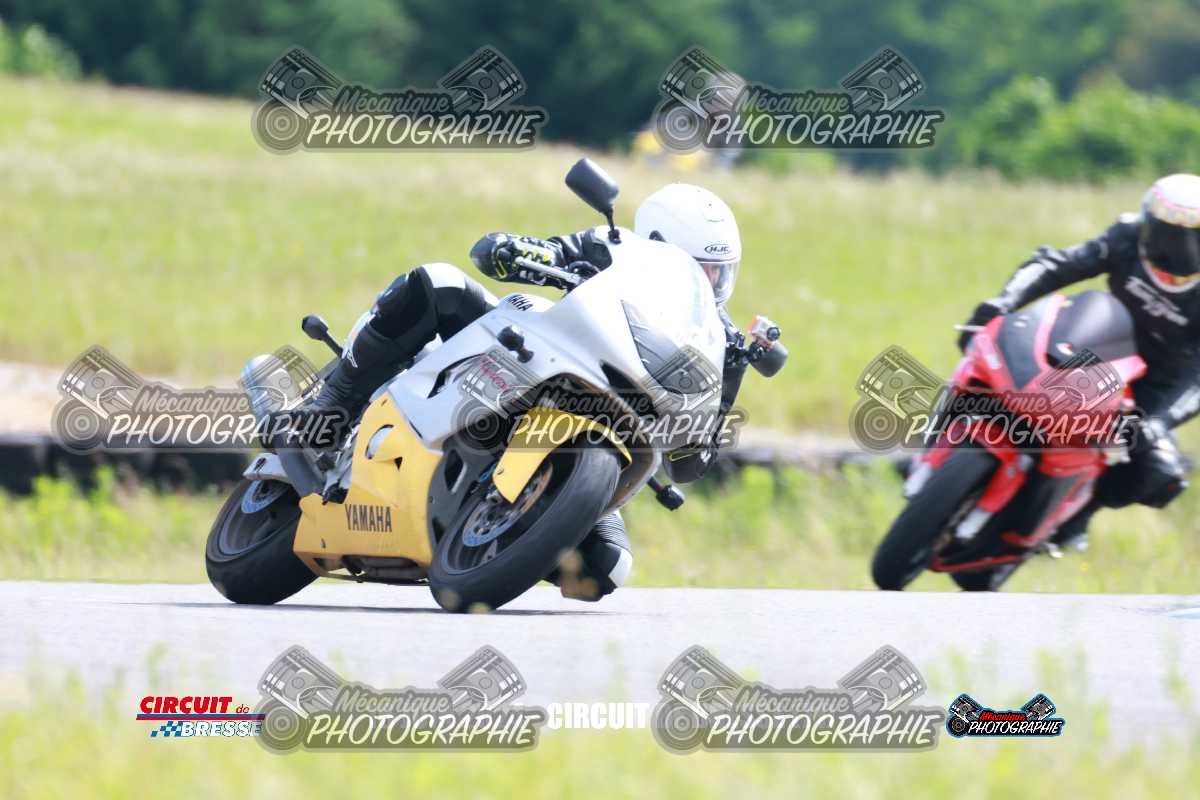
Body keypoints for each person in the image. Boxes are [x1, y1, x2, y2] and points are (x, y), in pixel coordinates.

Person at [304, 183, 752, 599]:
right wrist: (516, 250)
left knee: (607, 568)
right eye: (703, 267)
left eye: (720, 272)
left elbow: (689, 463)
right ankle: (333, 403)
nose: (711, 281)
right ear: (658, 241)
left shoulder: (718, 340)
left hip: (598, 438)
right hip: (545, 356)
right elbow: (545, 251)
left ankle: (509, 534)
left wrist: (737, 370)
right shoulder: (615, 246)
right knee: (441, 282)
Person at [958, 173, 1199, 548]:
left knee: (1159, 474)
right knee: (1006, 357)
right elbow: (1057, 264)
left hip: (1156, 385)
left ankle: (1077, 515)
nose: (1172, 252)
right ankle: (955, 429)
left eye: (1189, 241)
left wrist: (1158, 422)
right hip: (1098, 343)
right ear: (1147, 224)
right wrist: (1002, 303)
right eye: (1164, 234)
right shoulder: (1125, 237)